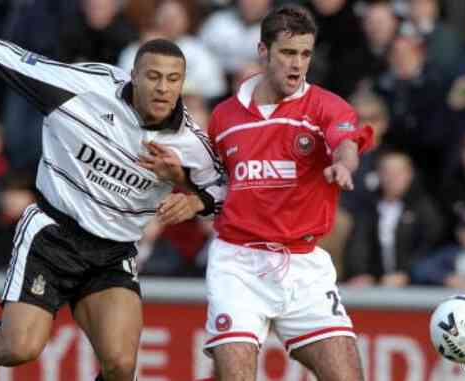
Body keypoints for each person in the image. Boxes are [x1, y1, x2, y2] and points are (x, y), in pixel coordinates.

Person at [0, 2, 224, 381]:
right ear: (133, 75)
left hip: (112, 252)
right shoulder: (83, 90)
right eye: (153, 76)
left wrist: (188, 187)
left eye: (173, 79)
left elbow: (227, 190)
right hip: (53, 236)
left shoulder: (191, 145)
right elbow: (16, 60)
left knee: (120, 365)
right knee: (17, 348)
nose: (163, 88)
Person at [151, 5, 373, 380]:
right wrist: (190, 192)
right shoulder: (224, 117)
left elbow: (345, 140)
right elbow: (221, 186)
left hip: (303, 265)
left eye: (305, 54)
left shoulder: (325, 106)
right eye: (288, 52)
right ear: (263, 51)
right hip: (238, 263)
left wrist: (343, 164)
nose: (297, 64)